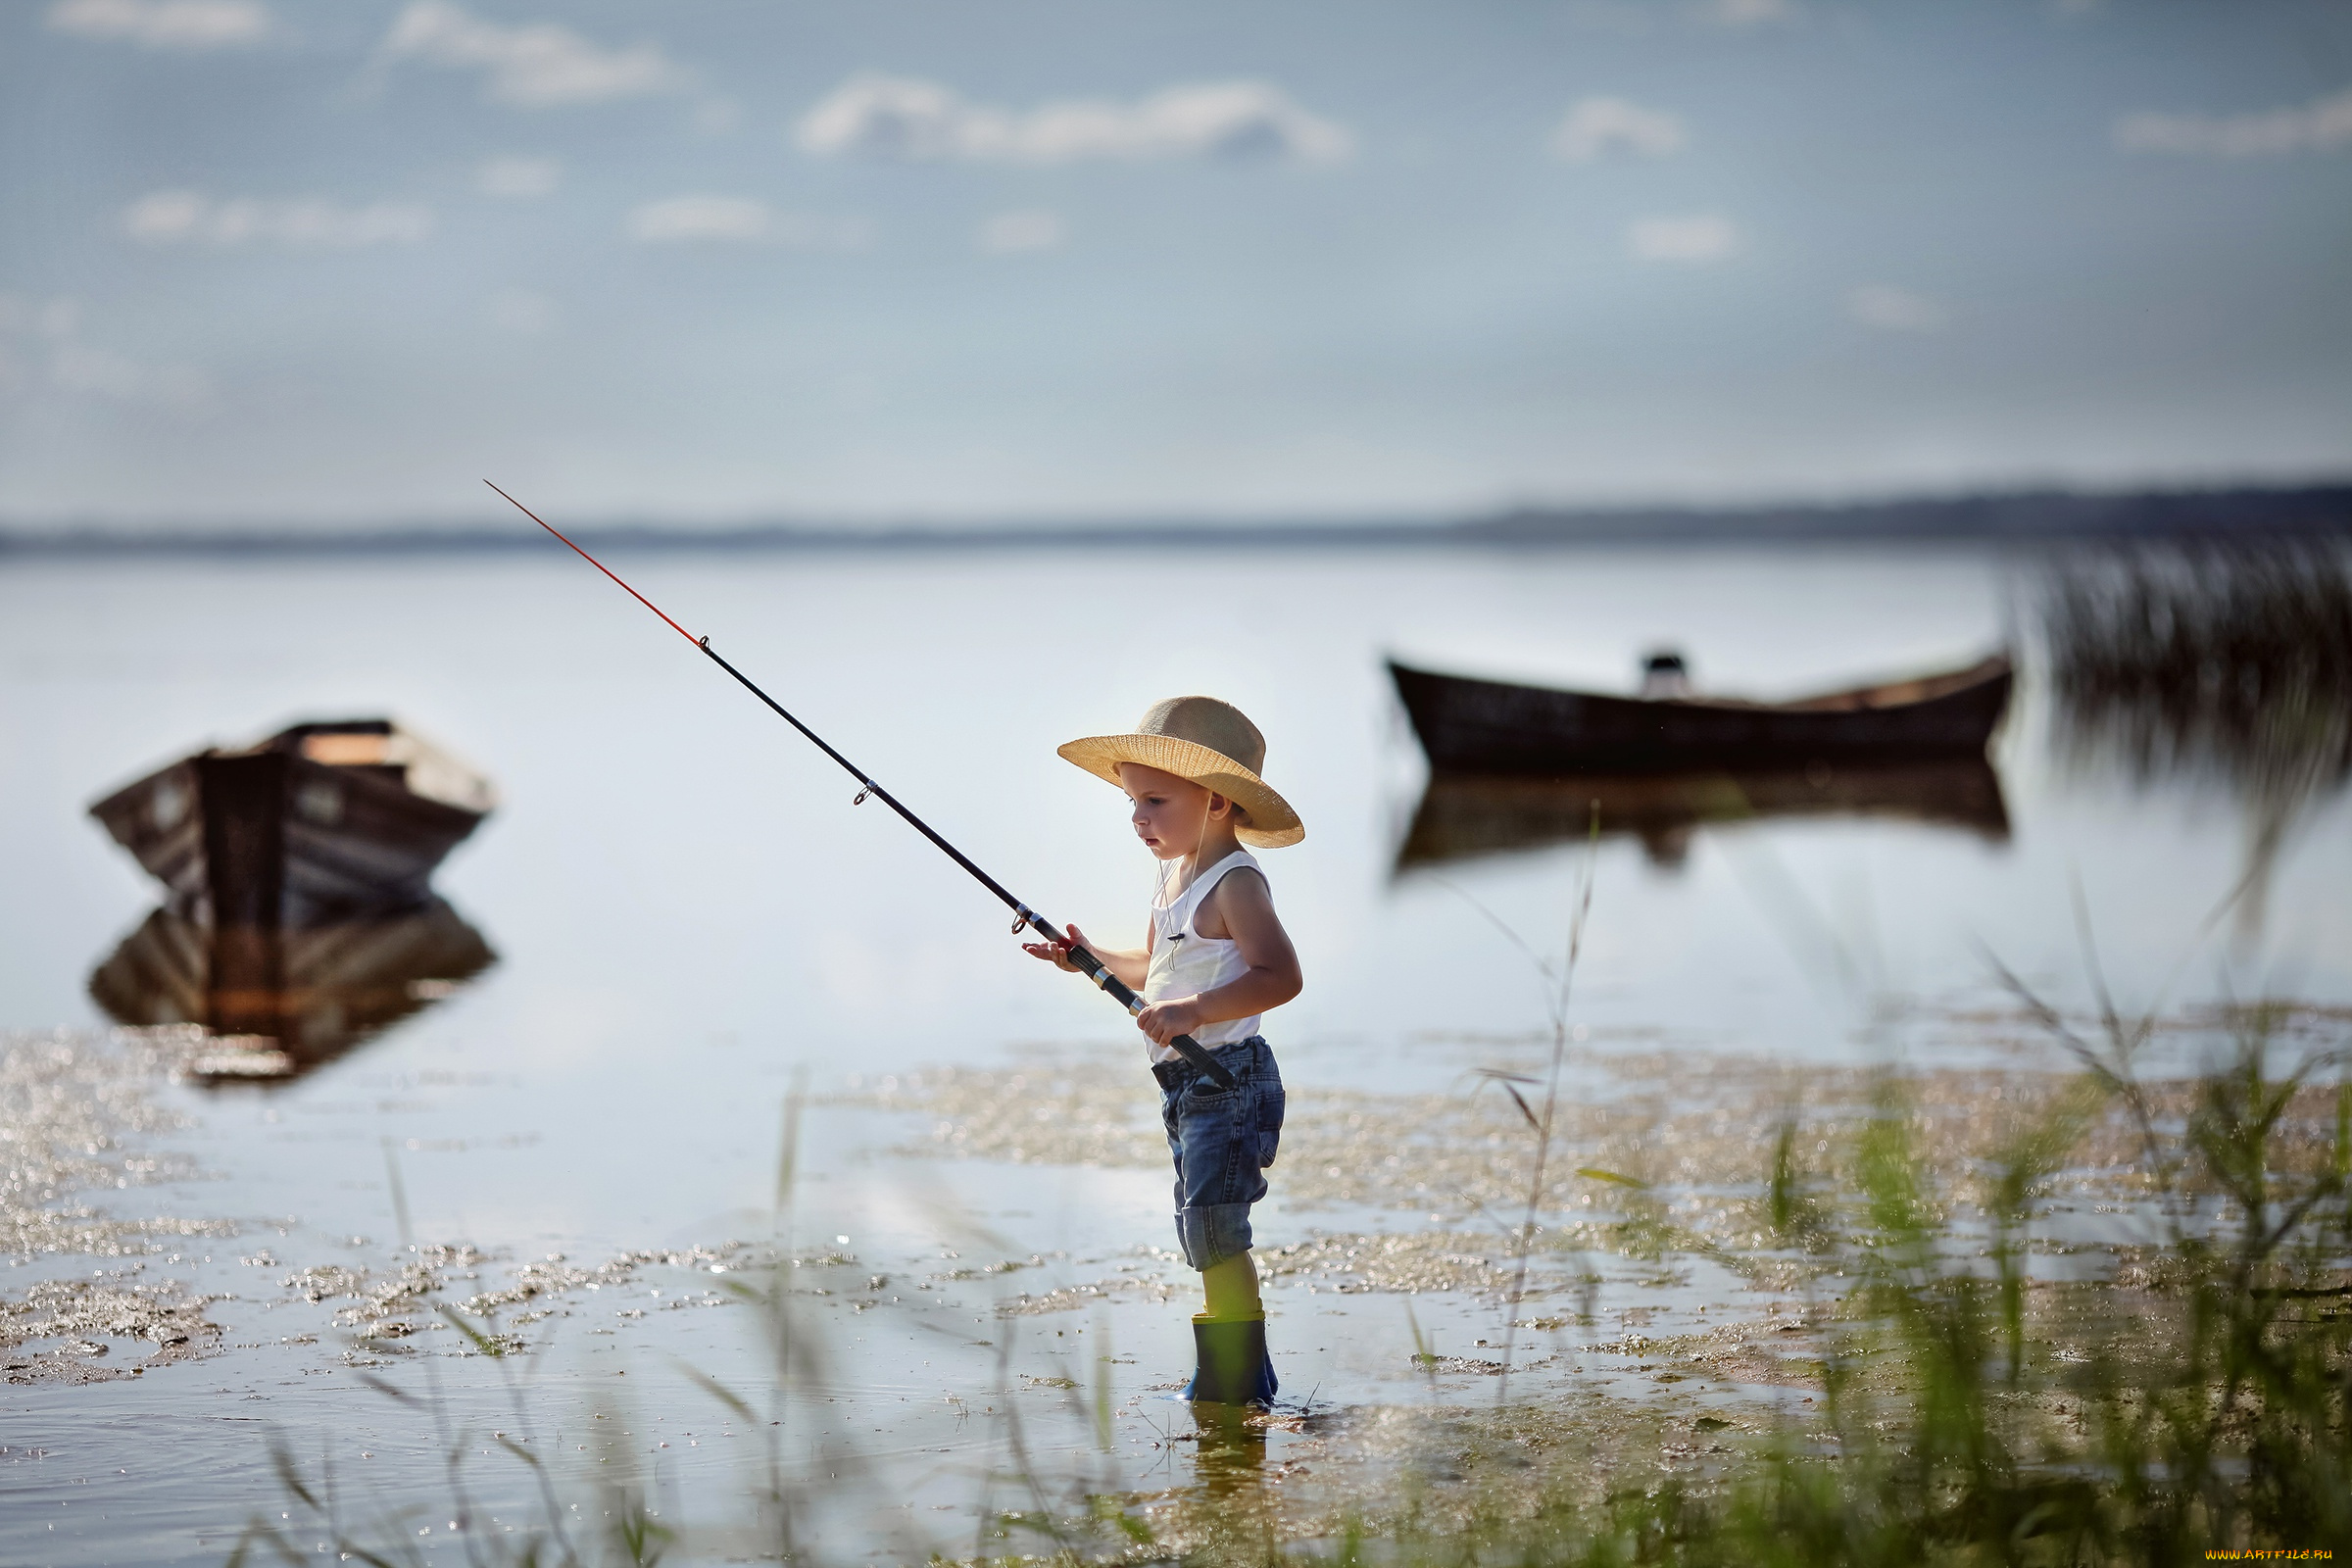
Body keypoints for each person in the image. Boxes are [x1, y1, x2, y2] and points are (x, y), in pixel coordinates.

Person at [1025, 696, 1304, 1405]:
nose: (1137, 818)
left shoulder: (1235, 883)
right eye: (1131, 802)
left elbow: (1281, 976)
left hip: (1228, 1077)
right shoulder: (1175, 881)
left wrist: (1194, 1010)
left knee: (1216, 1226)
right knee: (1197, 1222)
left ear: (1215, 800)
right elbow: (1151, 972)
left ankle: (1234, 1376)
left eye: (1154, 800)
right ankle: (1246, 1373)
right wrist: (1087, 958)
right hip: (1185, 1083)